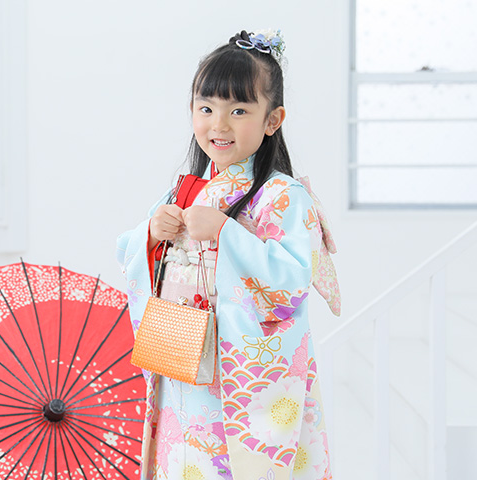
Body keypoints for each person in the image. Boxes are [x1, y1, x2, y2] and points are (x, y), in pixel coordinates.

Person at [116, 30, 341, 480]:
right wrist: (152, 234)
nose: (219, 125)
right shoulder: (186, 188)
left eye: (238, 110)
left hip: (244, 375)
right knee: (184, 456)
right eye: (206, 109)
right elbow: (130, 254)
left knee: (235, 462)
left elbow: (293, 280)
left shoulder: (283, 195)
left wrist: (226, 233)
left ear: (272, 119)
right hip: (182, 355)